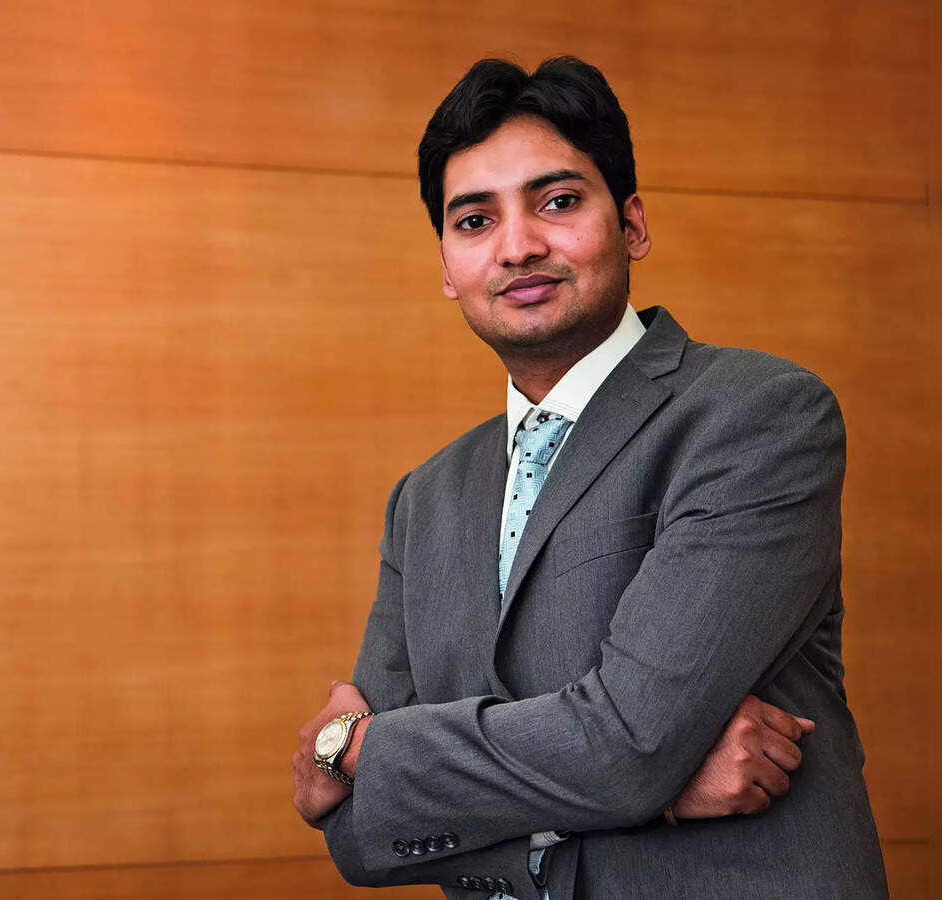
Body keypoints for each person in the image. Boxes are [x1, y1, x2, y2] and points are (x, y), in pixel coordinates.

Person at [291, 57, 887, 898]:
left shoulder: (755, 415)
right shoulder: (424, 499)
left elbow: (628, 746)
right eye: (474, 220)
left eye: (558, 202)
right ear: (446, 267)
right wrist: (654, 791)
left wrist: (358, 750)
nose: (518, 246)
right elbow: (360, 836)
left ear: (631, 225)